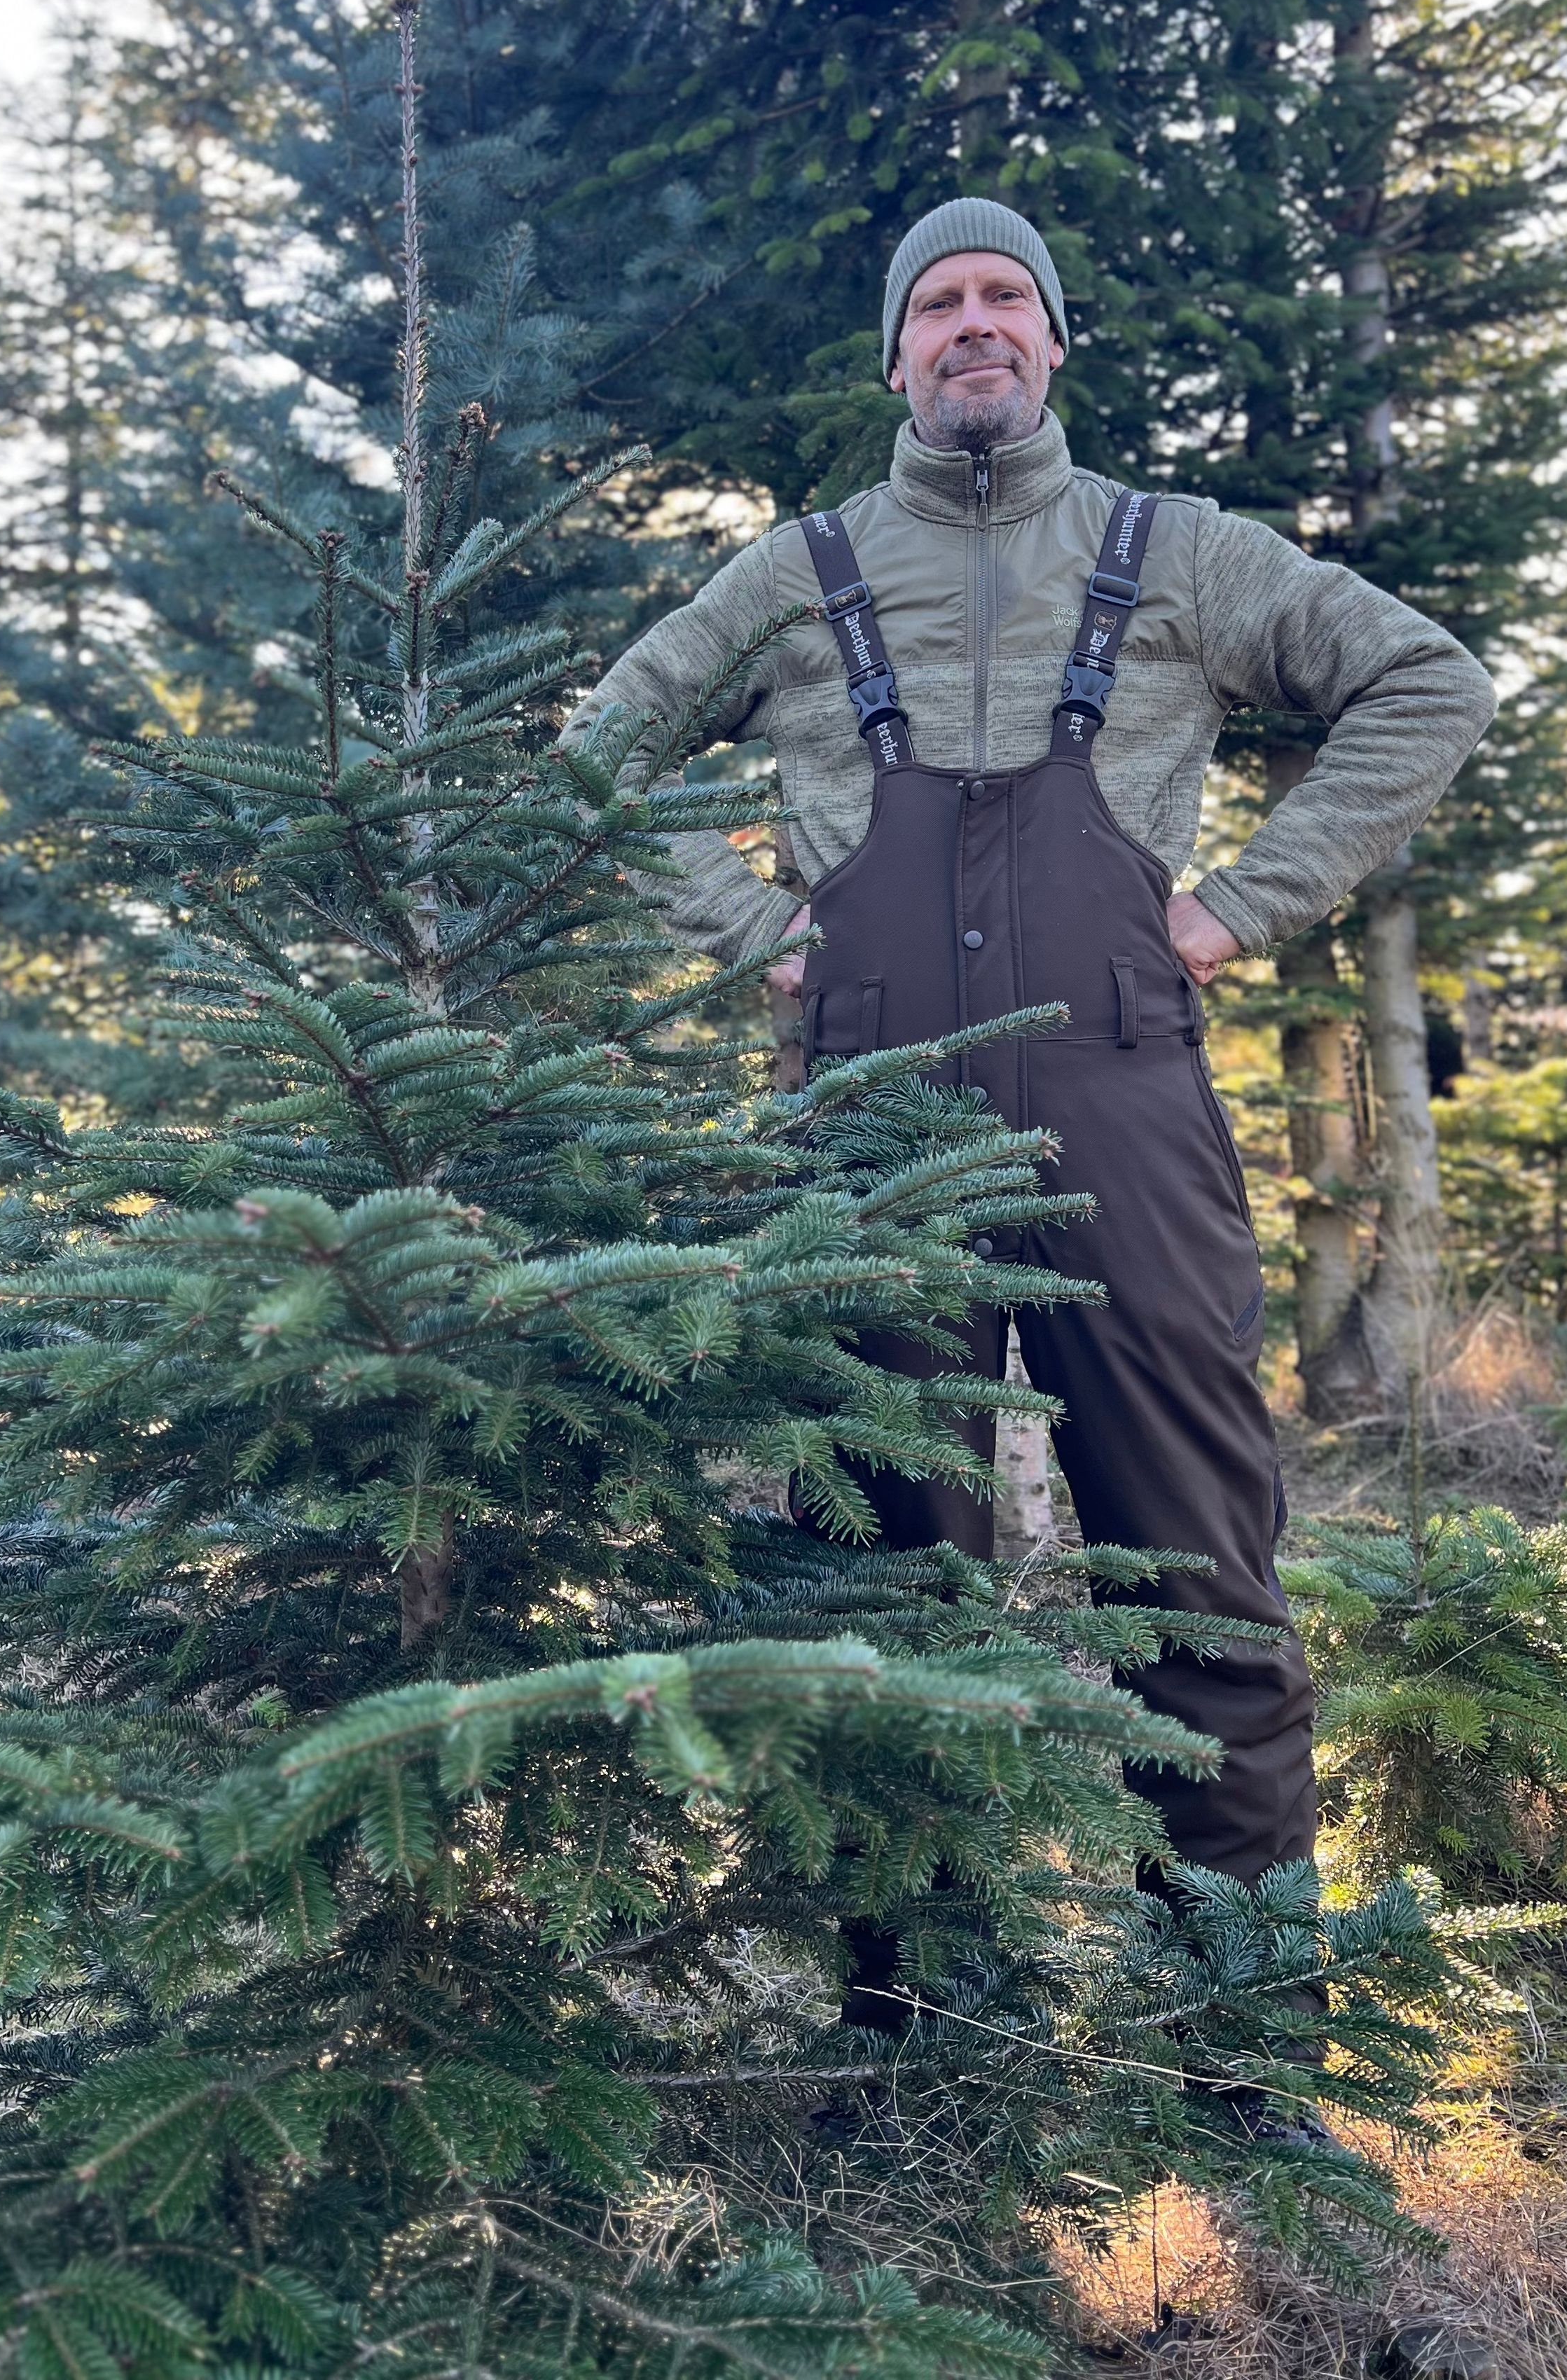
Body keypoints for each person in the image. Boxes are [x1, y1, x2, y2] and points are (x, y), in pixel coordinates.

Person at [572, 196, 1495, 1894]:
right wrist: (757, 927)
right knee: (878, 1572)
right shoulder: (799, 573)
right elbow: (590, 760)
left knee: (1195, 1564)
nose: (975, 322)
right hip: (868, 1125)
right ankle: (902, 2027)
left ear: (1056, 339)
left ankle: (1232, 2038)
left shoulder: (1181, 549)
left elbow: (1429, 681)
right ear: (898, 355)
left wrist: (1238, 903)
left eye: (1008, 295)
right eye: (940, 303)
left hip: (1128, 1098)